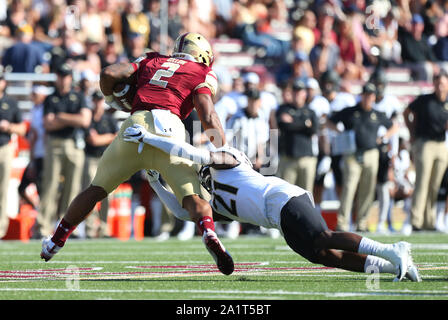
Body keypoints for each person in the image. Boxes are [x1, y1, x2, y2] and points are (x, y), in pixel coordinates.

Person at [122, 123, 421, 282]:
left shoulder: (230, 159)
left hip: (283, 198)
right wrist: (155, 182)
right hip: (278, 220)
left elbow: (199, 155)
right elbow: (181, 212)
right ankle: (392, 266)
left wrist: (149, 138)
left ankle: (391, 250)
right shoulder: (220, 203)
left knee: (322, 237)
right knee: (324, 256)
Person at [40, 33, 234, 276]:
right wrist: (221, 149)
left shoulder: (152, 60)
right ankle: (208, 232)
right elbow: (208, 115)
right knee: (192, 198)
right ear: (203, 55)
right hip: (169, 132)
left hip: (135, 125)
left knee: (96, 189)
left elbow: (109, 74)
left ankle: (54, 243)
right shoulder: (201, 71)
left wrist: (113, 100)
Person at [326, 82, 398, 232]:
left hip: (371, 153)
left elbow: (394, 126)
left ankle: (362, 223)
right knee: (349, 187)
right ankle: (343, 223)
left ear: (374, 97)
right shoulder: (350, 111)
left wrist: (384, 137)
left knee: (368, 189)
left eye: (370, 95)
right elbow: (329, 121)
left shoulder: (377, 114)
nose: (367, 98)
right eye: (365, 95)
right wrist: (340, 134)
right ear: (362, 96)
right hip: (352, 154)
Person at [35, 63, 92, 238]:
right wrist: (71, 119)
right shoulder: (51, 98)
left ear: (70, 77)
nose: (63, 79)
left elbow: (85, 121)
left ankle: (67, 228)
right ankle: (42, 227)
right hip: (55, 144)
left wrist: (60, 117)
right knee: (50, 186)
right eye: (60, 75)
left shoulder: (78, 96)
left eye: (66, 75)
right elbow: (47, 124)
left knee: (73, 187)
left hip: (74, 144)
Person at [403, 70, 448, 232]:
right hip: (424, 143)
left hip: (441, 144)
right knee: (422, 182)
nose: (440, 87)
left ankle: (429, 221)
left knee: (435, 185)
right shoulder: (425, 100)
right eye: (437, 83)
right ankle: (416, 220)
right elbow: (407, 111)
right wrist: (411, 132)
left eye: (442, 83)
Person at [82, 91, 118, 238]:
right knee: (90, 193)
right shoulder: (89, 118)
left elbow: (116, 137)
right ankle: (90, 228)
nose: (97, 103)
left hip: (106, 158)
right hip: (91, 158)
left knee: (107, 195)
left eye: (99, 100)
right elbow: (92, 140)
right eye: (95, 100)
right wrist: (108, 138)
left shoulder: (109, 118)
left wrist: (102, 138)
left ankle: (104, 228)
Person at [276, 79, 319, 192]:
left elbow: (314, 129)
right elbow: (284, 126)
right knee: (286, 194)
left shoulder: (310, 111)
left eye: (299, 91)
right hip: (288, 158)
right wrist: (304, 124)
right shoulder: (284, 109)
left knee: (306, 194)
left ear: (304, 94)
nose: (297, 94)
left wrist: (293, 122)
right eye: (294, 91)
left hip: (307, 159)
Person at [0, 67, 27, 238]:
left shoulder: (11, 102)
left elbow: (22, 128)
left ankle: (0, 229)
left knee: (2, 189)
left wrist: (8, 126)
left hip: (4, 147)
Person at [18, 85, 50, 209]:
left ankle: (44, 215)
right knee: (23, 187)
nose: (32, 97)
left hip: (43, 156)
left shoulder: (45, 110)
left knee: (42, 189)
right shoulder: (36, 110)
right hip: (36, 155)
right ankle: (38, 210)